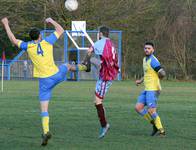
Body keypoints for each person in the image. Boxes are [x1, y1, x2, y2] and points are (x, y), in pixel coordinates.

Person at [1, 17, 90, 146]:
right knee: (67, 66)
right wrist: (51, 21)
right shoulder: (47, 41)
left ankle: (46, 131)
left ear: (31, 37)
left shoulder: (28, 46)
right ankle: (84, 67)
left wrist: (6, 24)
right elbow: (61, 30)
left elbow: (13, 40)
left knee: (44, 109)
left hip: (45, 82)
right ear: (40, 36)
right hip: (56, 75)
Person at [84, 26, 119, 139]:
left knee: (97, 101)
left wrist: (86, 63)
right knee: (97, 101)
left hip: (106, 76)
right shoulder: (111, 44)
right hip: (108, 73)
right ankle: (104, 122)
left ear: (100, 33)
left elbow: (89, 51)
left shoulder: (100, 43)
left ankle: (104, 125)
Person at [135, 42, 166, 136]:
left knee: (151, 111)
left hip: (153, 89)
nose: (147, 50)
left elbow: (162, 72)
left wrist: (159, 78)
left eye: (149, 48)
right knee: (138, 108)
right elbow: (147, 73)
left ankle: (162, 131)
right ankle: (155, 125)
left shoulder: (153, 60)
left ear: (153, 50)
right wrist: (140, 81)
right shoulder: (145, 59)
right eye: (145, 48)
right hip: (147, 89)